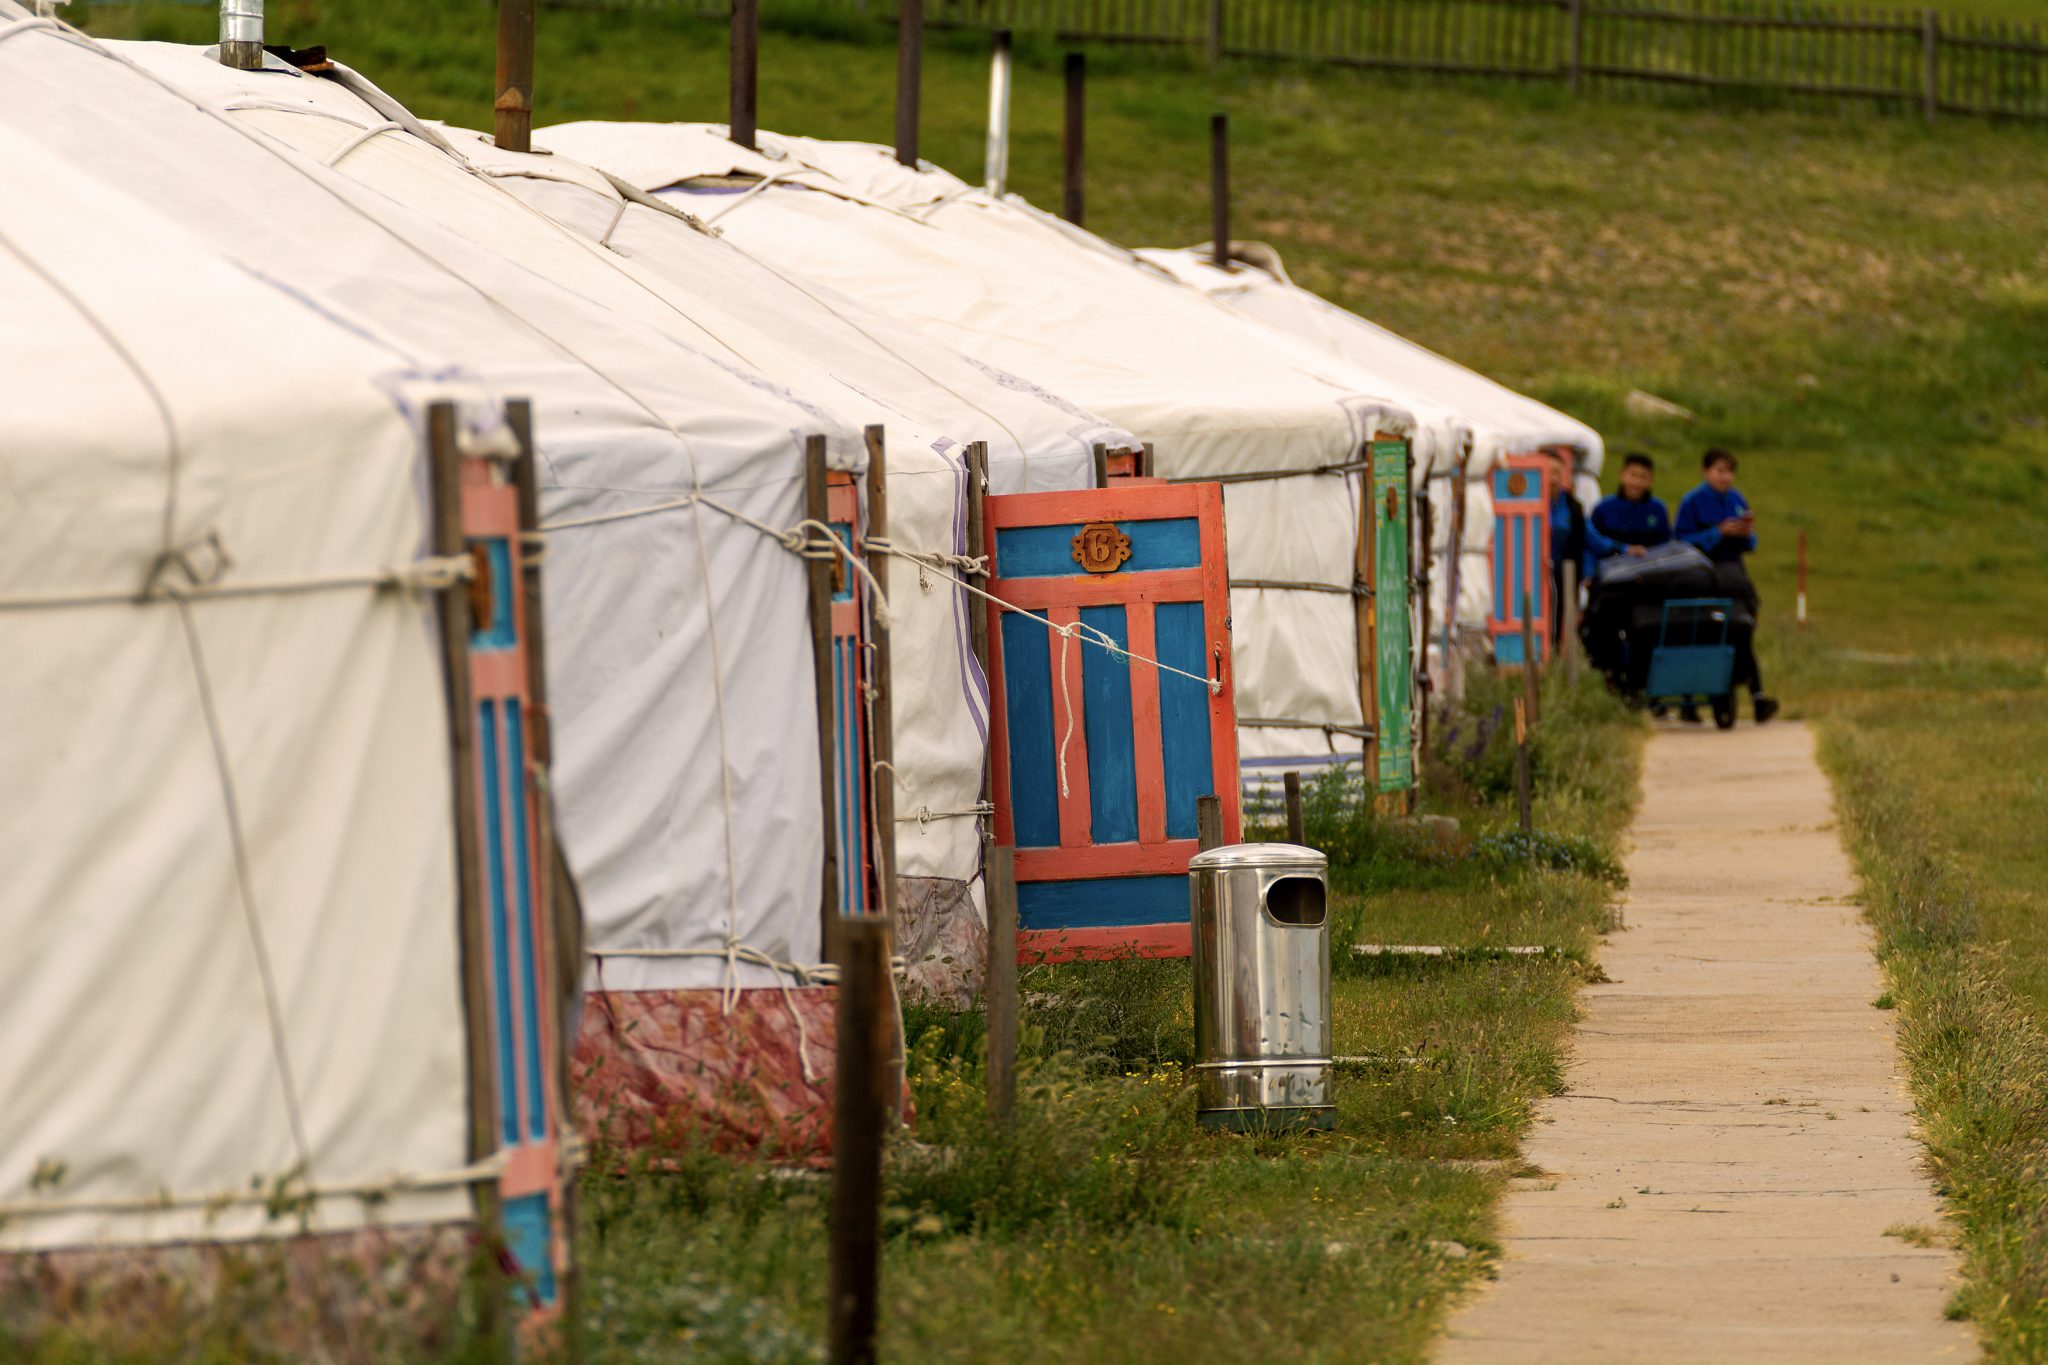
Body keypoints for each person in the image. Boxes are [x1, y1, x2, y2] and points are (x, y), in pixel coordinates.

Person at [1674, 448, 1778, 724]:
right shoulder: (1692, 502)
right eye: (1719, 471)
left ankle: (1756, 696)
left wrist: (1744, 534)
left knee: (1741, 629)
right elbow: (1682, 542)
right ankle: (1689, 700)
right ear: (1705, 471)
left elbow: (1751, 544)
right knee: (1699, 633)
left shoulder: (1736, 499)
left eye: (1729, 472)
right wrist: (1717, 532)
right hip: (1701, 578)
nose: (1725, 477)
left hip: (1733, 576)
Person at [1588, 453, 1671, 566]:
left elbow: (1665, 546)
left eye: (1643, 477)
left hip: (1649, 572)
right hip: (1610, 573)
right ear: (1622, 475)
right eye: (1633, 475)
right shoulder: (1603, 508)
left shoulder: (1658, 509)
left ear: (1651, 480)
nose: (1637, 482)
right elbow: (1591, 545)